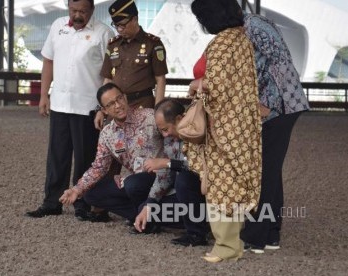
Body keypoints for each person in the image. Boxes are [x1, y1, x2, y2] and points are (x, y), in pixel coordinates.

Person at [186, 0, 262, 262]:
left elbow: (214, 87)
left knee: (221, 185)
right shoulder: (241, 39)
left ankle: (226, 247)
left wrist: (196, 84)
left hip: (222, 127)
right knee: (235, 182)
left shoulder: (222, 43)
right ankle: (234, 244)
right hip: (240, 124)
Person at [26, 0, 114, 221]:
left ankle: (83, 203)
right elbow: (48, 61)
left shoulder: (104, 32)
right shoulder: (57, 26)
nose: (77, 15)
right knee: (57, 156)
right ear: (68, 7)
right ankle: (51, 202)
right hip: (59, 103)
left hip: (88, 107)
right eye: (73, 10)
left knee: (86, 158)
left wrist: (104, 107)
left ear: (92, 10)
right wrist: (43, 95)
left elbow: (109, 72)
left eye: (82, 11)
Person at [240, 12, 310, 253]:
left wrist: (268, 103)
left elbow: (281, 60)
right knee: (270, 169)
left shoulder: (254, 25)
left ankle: (255, 236)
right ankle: (270, 234)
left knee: (264, 172)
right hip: (275, 105)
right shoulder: (245, 27)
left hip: (280, 106)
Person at [60, 82, 170, 233]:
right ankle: (141, 215)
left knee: (132, 183)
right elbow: (99, 167)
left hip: (162, 177)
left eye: (119, 99)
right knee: (91, 195)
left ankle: (148, 222)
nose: (117, 105)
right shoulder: (107, 134)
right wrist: (77, 190)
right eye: (111, 104)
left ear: (125, 97)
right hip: (138, 182)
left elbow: (174, 141)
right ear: (104, 110)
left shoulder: (150, 116)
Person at [131, 98, 209, 245]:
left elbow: (202, 168)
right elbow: (164, 175)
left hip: (207, 196)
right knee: (146, 209)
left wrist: (168, 163)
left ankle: (196, 234)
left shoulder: (200, 131)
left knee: (184, 179)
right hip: (184, 199)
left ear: (180, 119)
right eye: (161, 131)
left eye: (166, 129)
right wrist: (150, 203)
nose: (165, 135)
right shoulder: (170, 140)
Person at [96, 0, 168, 130]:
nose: (119, 30)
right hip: (116, 108)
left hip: (143, 105)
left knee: (143, 147)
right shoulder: (113, 45)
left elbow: (160, 79)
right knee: (116, 148)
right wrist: (101, 109)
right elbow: (107, 79)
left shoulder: (153, 44)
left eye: (122, 25)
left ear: (135, 19)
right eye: (116, 25)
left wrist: (158, 111)